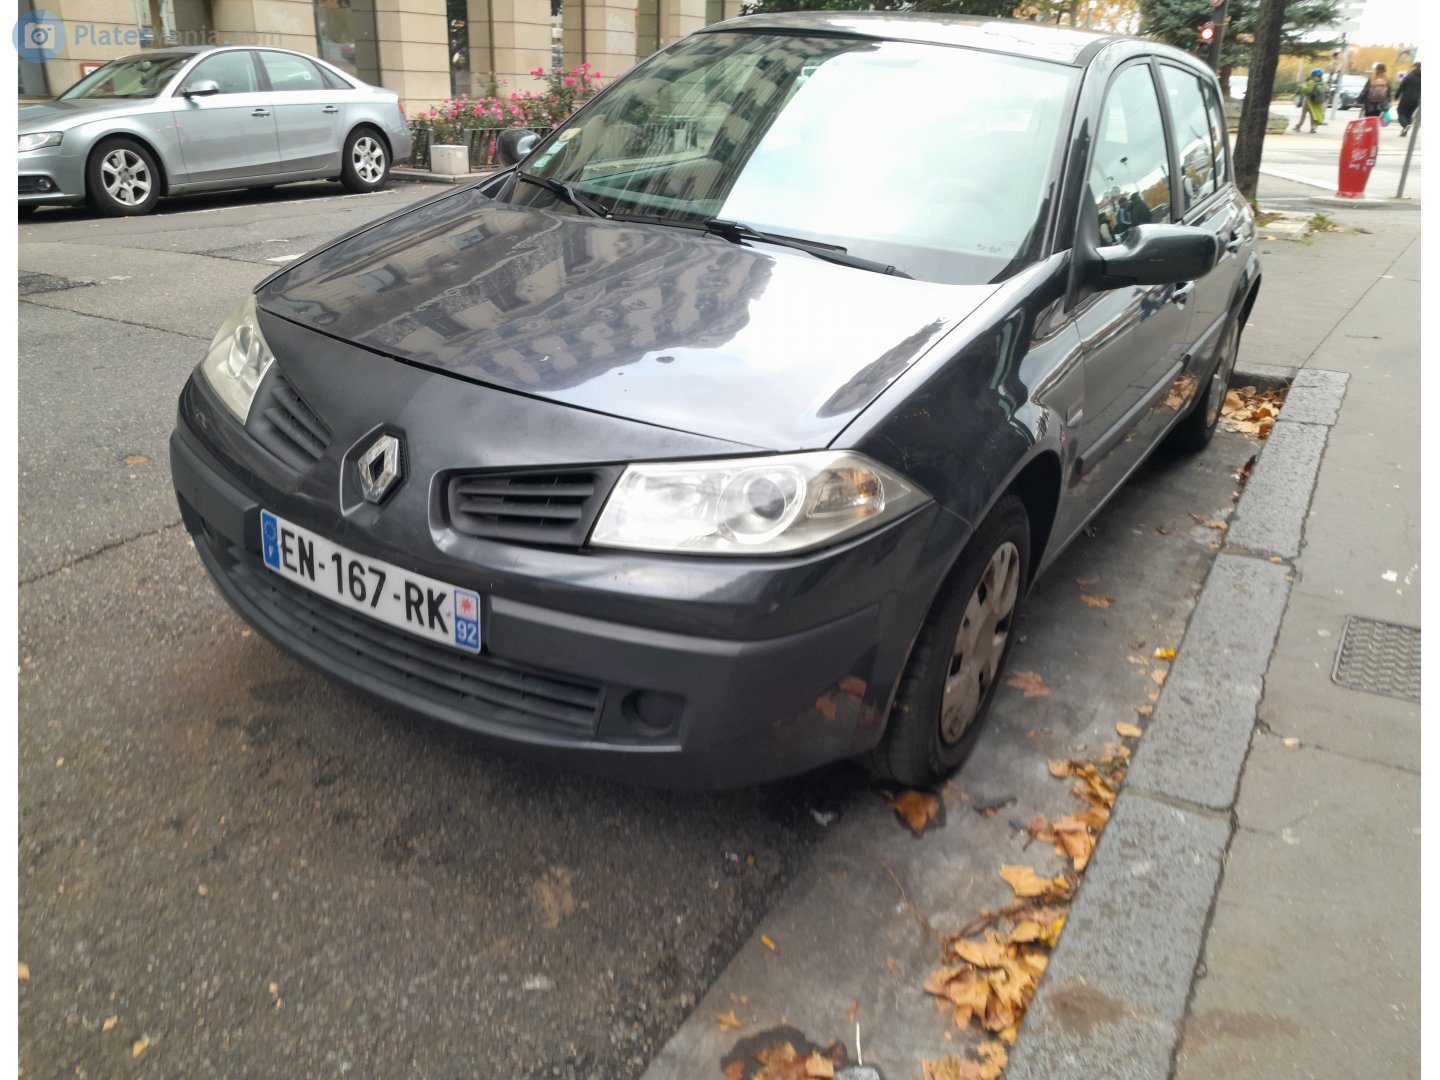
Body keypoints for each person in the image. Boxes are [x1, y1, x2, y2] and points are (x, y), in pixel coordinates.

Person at [1295, 67, 1326, 132]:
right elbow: (1327, 90)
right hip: (1319, 102)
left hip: (1309, 101)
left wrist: (1303, 87)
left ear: (1313, 74)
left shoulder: (1312, 82)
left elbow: (1307, 90)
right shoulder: (1323, 82)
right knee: (1313, 115)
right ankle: (1313, 128)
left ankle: (1298, 127)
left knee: (1303, 114)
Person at [1396, 62, 1421, 135]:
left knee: (1400, 112)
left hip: (1406, 98)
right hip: (1417, 99)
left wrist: (1397, 95)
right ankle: (1404, 132)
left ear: (1415, 67)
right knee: (1408, 115)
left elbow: (1402, 86)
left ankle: (1405, 125)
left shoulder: (1409, 76)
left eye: (1412, 66)